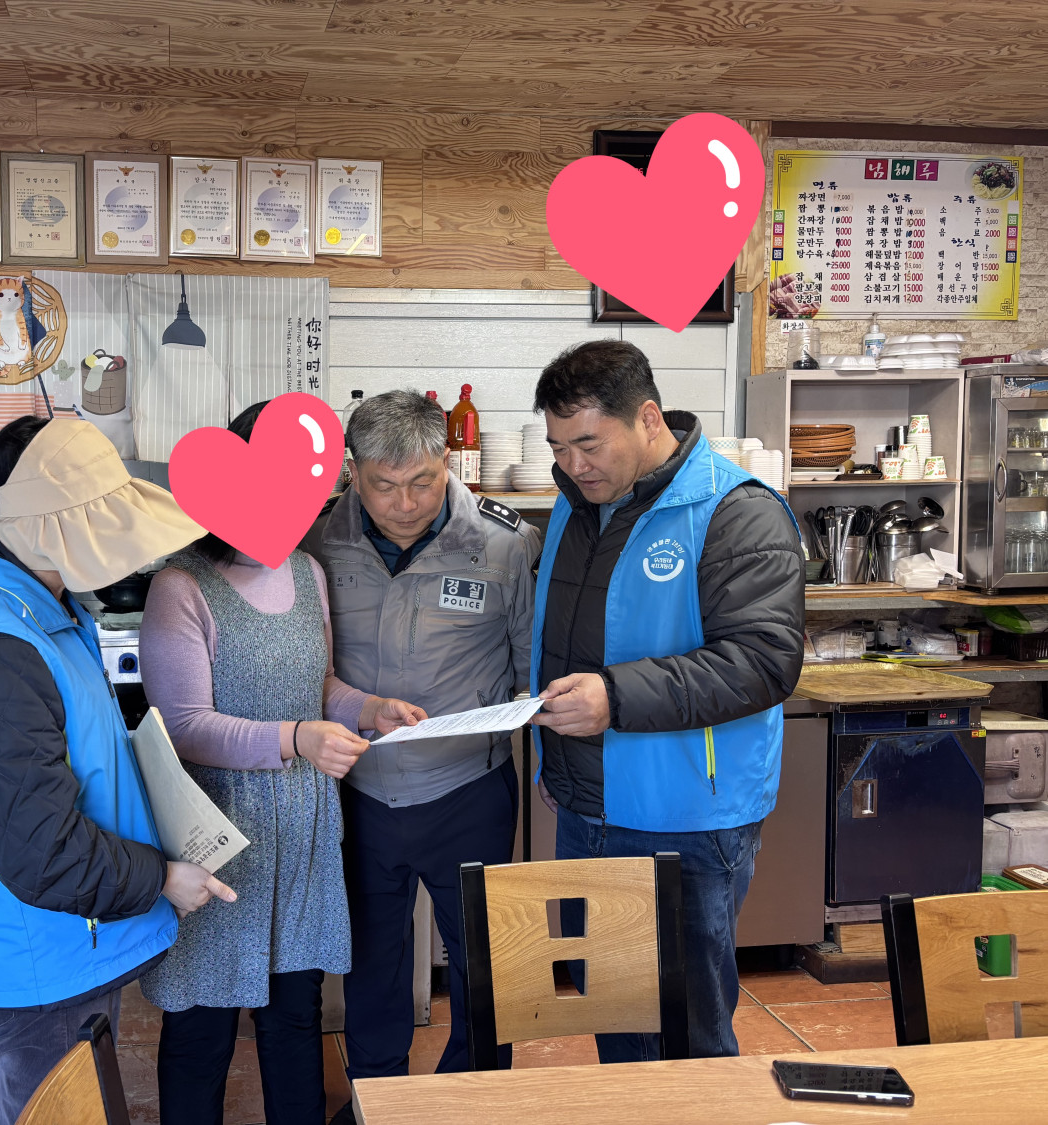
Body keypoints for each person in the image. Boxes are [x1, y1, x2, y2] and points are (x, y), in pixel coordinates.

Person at [0, 416, 237, 1125]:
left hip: (71, 943)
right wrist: (160, 877)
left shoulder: (41, 613)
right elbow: (43, 852)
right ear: (48, 528)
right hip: (43, 960)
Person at [139, 400, 427, 1125]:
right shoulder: (181, 587)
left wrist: (368, 708)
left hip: (302, 828)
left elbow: (317, 684)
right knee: (201, 1026)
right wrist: (297, 739)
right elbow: (184, 727)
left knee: (295, 1016)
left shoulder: (307, 573)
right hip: (218, 834)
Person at [527, 340, 804, 1062]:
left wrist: (615, 697)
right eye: (558, 447)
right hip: (585, 805)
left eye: (589, 444)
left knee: (687, 1034)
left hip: (685, 816)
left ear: (648, 419)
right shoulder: (577, 506)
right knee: (616, 1017)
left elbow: (763, 661)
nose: (572, 464)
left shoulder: (735, 510)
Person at [306, 390, 543, 1117]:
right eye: (383, 485)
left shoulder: (504, 544)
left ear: (447, 462)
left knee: (482, 961)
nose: (404, 504)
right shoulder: (317, 542)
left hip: (468, 791)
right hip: (361, 792)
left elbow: (530, 666)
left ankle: (471, 1101)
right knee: (372, 960)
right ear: (352, 471)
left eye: (423, 481)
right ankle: (378, 1100)